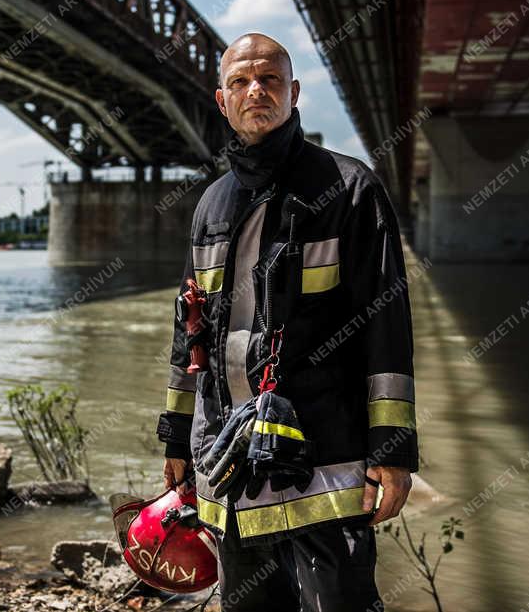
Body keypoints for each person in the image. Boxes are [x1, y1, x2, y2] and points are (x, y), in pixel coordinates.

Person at [156, 33, 418, 611]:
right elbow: (190, 335)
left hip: (325, 467)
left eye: (270, 79)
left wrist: (392, 452)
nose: (257, 91)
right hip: (229, 467)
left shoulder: (350, 191)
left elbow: (387, 334)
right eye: (241, 82)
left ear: (294, 94)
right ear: (222, 102)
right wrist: (176, 439)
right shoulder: (210, 207)